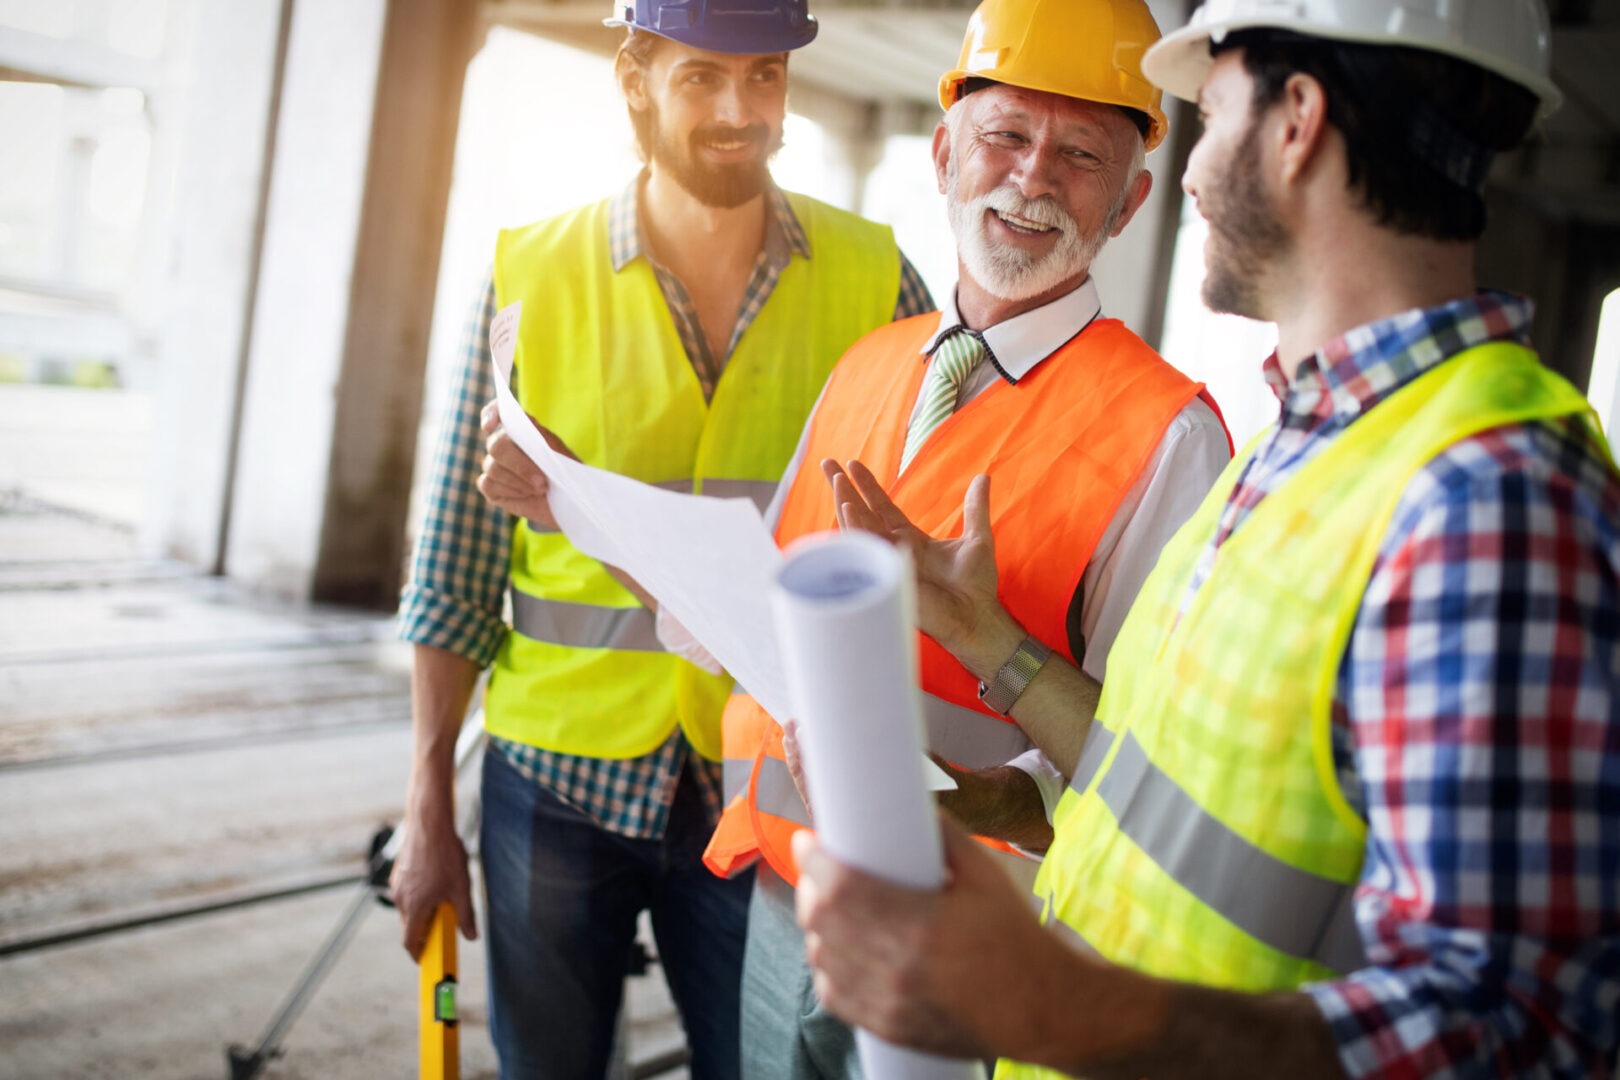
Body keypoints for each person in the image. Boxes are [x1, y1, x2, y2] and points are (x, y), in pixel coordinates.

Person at [794, 1, 1620, 1078]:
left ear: (1297, 124)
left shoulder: (1488, 495)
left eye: (1211, 110)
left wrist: (1060, 1011)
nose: (1183, 176)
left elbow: (1516, 1034)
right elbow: (1186, 789)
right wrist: (995, 689)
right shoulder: (1298, 446)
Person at [387, 0, 933, 1074]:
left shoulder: (880, 282)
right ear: (634, 79)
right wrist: (425, 810)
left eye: (765, 77)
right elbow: (452, 572)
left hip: (760, 788)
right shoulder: (528, 274)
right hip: (555, 778)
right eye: (701, 79)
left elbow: (909, 545)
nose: (740, 111)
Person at [700, 1, 1233, 1076]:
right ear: (945, 152)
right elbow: (765, 604)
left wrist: (981, 794)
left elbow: (1147, 755)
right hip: (784, 895)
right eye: (1004, 135)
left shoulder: (1166, 435)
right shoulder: (868, 365)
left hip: (971, 934)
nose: (1034, 178)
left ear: (1132, 199)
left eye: (1083, 153)